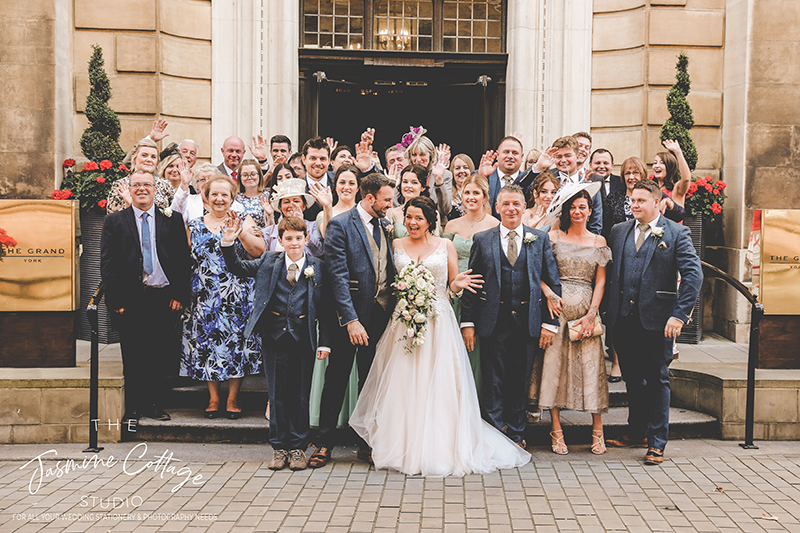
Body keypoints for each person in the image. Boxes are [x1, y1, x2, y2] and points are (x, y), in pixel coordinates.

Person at [350, 196, 530, 476]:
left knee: (440, 381)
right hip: (403, 321)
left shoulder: (446, 245)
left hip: (438, 319)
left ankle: (440, 443)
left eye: (419, 218)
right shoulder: (395, 244)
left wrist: (457, 285)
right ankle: (400, 443)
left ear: (430, 220)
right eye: (408, 217)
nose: (412, 223)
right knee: (403, 380)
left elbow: (454, 283)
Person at [221, 214, 330, 471]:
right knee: (277, 393)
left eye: (298, 238)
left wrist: (324, 342)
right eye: (288, 238)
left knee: (300, 394)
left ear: (307, 239)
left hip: (303, 337)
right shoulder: (269, 261)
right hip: (274, 336)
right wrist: (228, 243)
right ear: (279, 240)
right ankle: (279, 448)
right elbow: (237, 267)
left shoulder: (317, 266)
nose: (294, 243)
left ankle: (298, 448)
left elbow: (325, 308)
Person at [604, 179, 703, 465]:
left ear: (658, 203)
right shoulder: (619, 231)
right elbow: (616, 273)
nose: (634, 205)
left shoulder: (677, 233)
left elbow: (694, 277)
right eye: (632, 201)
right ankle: (637, 433)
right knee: (633, 379)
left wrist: (679, 314)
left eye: (641, 201)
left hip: (659, 321)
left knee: (657, 379)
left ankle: (657, 442)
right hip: (623, 320)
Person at [461, 185, 561, 448]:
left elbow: (553, 283)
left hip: (528, 322)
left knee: (520, 381)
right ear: (497, 207)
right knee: (493, 381)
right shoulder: (483, 240)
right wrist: (468, 322)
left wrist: (550, 323)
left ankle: (516, 435)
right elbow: (473, 282)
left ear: (524, 206)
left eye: (516, 204)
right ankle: (493, 436)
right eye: (506, 204)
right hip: (493, 322)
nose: (511, 209)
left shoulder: (539, 239)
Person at [309, 173, 396, 468]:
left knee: (370, 382)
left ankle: (366, 443)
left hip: (380, 316)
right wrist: (351, 320)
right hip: (349, 320)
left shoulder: (386, 225)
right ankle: (323, 443)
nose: (390, 204)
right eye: (386, 199)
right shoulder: (340, 224)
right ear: (370, 198)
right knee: (336, 380)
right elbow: (337, 276)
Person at [100, 170, 191, 423]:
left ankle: (153, 404)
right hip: (131, 300)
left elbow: (183, 261)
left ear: (155, 189)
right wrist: (115, 302)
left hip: (163, 298)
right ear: (129, 190)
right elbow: (108, 264)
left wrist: (180, 295)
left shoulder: (172, 219)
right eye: (136, 185)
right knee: (133, 355)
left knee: (158, 354)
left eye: (147, 185)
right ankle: (133, 409)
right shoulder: (115, 221)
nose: (142, 189)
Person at [533, 189, 611, 455]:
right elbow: (538, 272)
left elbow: (600, 280)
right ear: (566, 210)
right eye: (573, 208)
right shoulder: (552, 236)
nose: (577, 212)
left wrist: (592, 313)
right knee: (554, 367)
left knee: (591, 369)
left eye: (582, 207)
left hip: (586, 312)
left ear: (590, 210)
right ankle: (556, 429)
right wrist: (549, 294)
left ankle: (597, 431)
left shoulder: (599, 240)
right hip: (557, 311)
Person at [180, 175, 265, 420]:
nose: (219, 199)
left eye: (224, 195)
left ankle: (233, 398)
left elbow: (259, 251)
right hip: (205, 297)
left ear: (232, 198)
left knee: (235, 345)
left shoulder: (244, 220)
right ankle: (214, 398)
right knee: (208, 345)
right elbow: (184, 259)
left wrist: (239, 233)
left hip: (236, 296)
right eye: (214, 194)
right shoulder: (194, 225)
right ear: (206, 197)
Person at [443, 174, 499, 396]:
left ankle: (475, 401)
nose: (471, 197)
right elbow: (443, 257)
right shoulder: (452, 224)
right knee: (451, 351)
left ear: (485, 196)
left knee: (475, 351)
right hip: (453, 292)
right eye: (467, 192)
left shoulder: (495, 224)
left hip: (480, 293)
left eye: (476, 192)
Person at [529, 136, 603, 234]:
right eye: (559, 157)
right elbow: (524, 192)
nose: (563, 160)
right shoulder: (545, 179)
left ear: (577, 157)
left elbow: (595, 225)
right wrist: (538, 166)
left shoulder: (589, 187)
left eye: (567, 155)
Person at [106, 138, 175, 214]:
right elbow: (112, 220)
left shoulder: (165, 184)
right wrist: (128, 205)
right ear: (134, 158)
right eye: (144, 155)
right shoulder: (121, 184)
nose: (149, 160)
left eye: (153, 157)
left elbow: (175, 212)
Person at [262, 179, 324, 257]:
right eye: (286, 202)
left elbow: (319, 251)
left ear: (304, 206)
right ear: (280, 207)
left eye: (296, 201)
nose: (291, 205)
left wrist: (302, 225)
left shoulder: (313, 226)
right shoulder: (271, 230)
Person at [403, 130, 453, 222]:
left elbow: (445, 210)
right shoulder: (404, 175)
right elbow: (395, 205)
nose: (418, 159)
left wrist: (439, 181)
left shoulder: (445, 175)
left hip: (437, 225)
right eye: (414, 155)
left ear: (432, 154)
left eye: (422, 154)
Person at [477, 136, 526, 219]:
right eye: (506, 152)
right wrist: (482, 176)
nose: (510, 156)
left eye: (515, 153)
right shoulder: (482, 176)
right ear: (498, 155)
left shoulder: (529, 181)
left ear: (521, 157)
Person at [387, 165, 438, 237]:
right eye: (405, 182)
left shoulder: (433, 212)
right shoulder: (393, 212)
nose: (408, 186)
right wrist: (389, 189)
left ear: (423, 187)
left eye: (414, 182)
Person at [314, 164, 361, 238]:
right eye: (342, 182)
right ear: (336, 186)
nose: (346, 187)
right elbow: (327, 236)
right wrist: (327, 207)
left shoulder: (365, 211)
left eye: (351, 183)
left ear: (357, 188)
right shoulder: (323, 214)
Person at [653, 139, 692, 218]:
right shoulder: (652, 189)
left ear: (670, 167)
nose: (656, 166)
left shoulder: (677, 188)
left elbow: (686, 179)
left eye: (662, 163)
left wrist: (678, 152)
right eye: (655, 162)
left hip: (672, 230)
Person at [235, 158, 269, 228]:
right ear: (240, 178)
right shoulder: (235, 199)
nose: (249, 178)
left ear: (259, 175)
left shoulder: (268, 197)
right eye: (245, 175)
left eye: (253, 174)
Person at [449, 153, 475, 219]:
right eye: (457, 168)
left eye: (465, 167)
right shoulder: (447, 193)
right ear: (452, 172)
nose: (462, 171)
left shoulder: (478, 192)